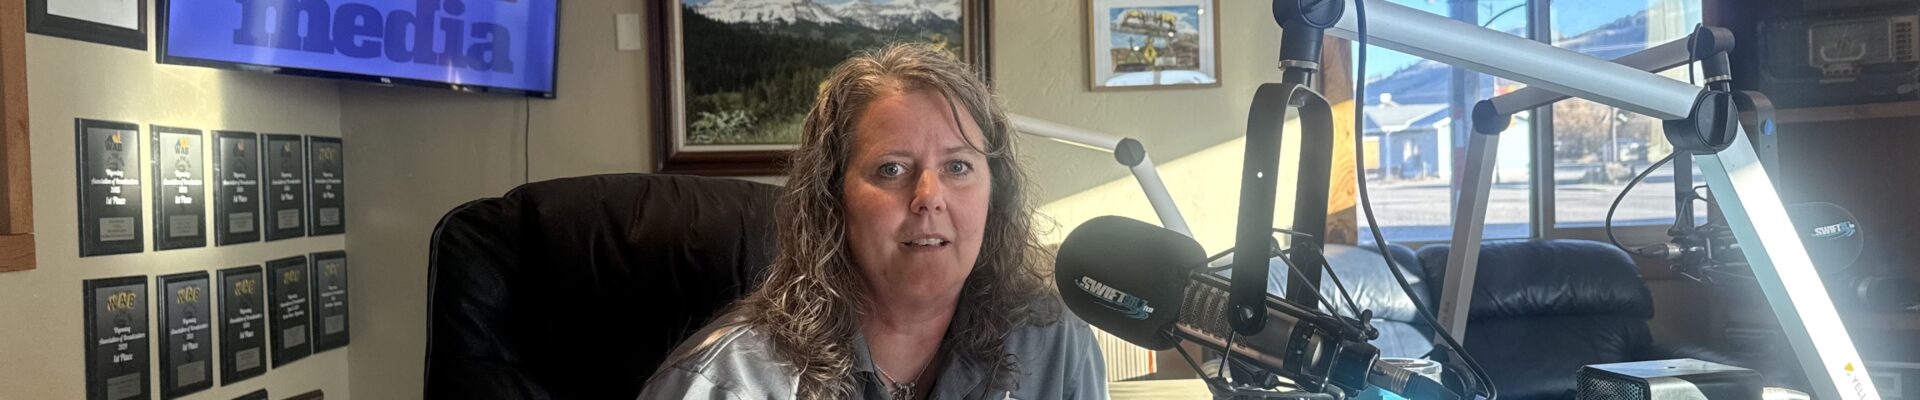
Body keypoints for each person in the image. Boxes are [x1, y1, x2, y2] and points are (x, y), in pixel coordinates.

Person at [639, 43, 1108, 400]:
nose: (929, 198)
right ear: (831, 198)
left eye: (958, 166)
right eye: (892, 169)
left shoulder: (1055, 345)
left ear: (994, 193)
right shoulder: (728, 383)